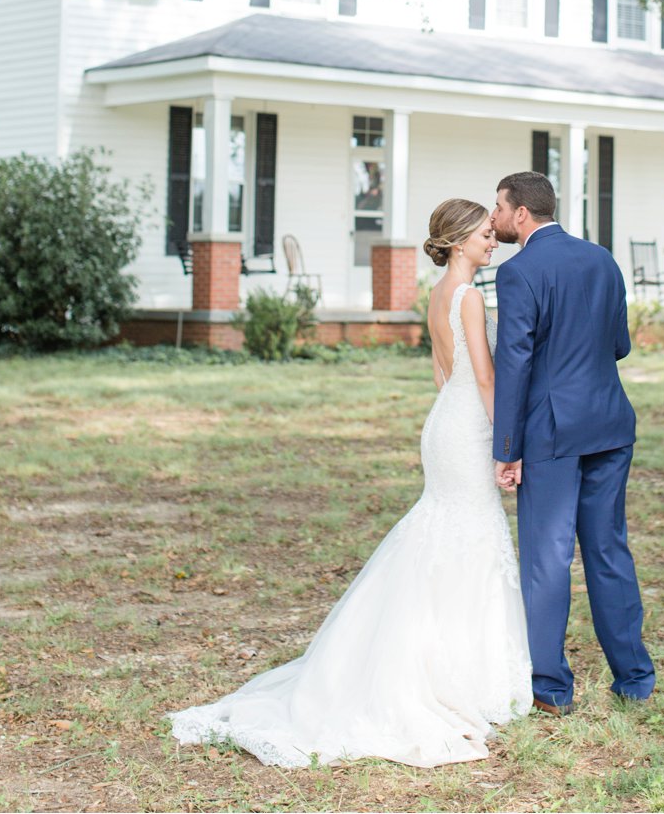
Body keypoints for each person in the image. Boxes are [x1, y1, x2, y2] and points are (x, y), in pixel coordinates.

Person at [168, 197, 532, 768]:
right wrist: (507, 443)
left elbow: (442, 373)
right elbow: (484, 378)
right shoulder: (468, 298)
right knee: (468, 534)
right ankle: (453, 674)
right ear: (460, 241)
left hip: (443, 423)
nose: (494, 242)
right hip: (468, 428)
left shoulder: (438, 296)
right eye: (487, 234)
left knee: (446, 532)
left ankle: (436, 657)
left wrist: (461, 418)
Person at [489, 169, 656, 714]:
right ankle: (634, 677)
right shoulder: (602, 260)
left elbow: (514, 364)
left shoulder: (519, 273)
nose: (494, 219)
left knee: (548, 557)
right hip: (609, 421)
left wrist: (506, 447)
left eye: (498, 208)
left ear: (521, 214)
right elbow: (620, 345)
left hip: (552, 432)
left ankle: (551, 689)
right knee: (608, 549)